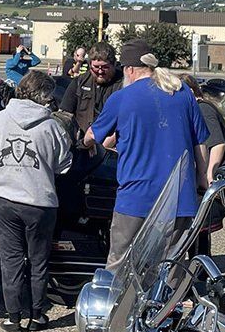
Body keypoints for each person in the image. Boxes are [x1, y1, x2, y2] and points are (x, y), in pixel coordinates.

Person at [83, 39, 209, 274]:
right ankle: (168, 308)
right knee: (172, 266)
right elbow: (200, 143)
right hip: (179, 196)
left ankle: (118, 308)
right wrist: (202, 178)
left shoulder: (122, 98)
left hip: (136, 196)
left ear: (129, 69)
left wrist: (86, 142)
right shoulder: (182, 92)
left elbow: (93, 136)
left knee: (120, 262)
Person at [0, 70, 72, 332]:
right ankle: (37, 314)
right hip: (40, 201)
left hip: (4, 198)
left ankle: (13, 317)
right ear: (45, 96)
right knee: (38, 261)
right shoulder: (52, 125)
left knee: (11, 259)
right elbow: (64, 165)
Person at [59, 42, 123, 133]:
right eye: (96, 67)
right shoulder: (79, 82)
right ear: (90, 65)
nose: (100, 71)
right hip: (82, 141)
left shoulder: (123, 85)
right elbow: (64, 114)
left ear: (113, 64)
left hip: (111, 142)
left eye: (105, 67)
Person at [180, 74, 225, 184]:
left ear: (190, 91)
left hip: (224, 167)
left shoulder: (203, 109)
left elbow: (218, 143)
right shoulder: (196, 108)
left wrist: (208, 176)